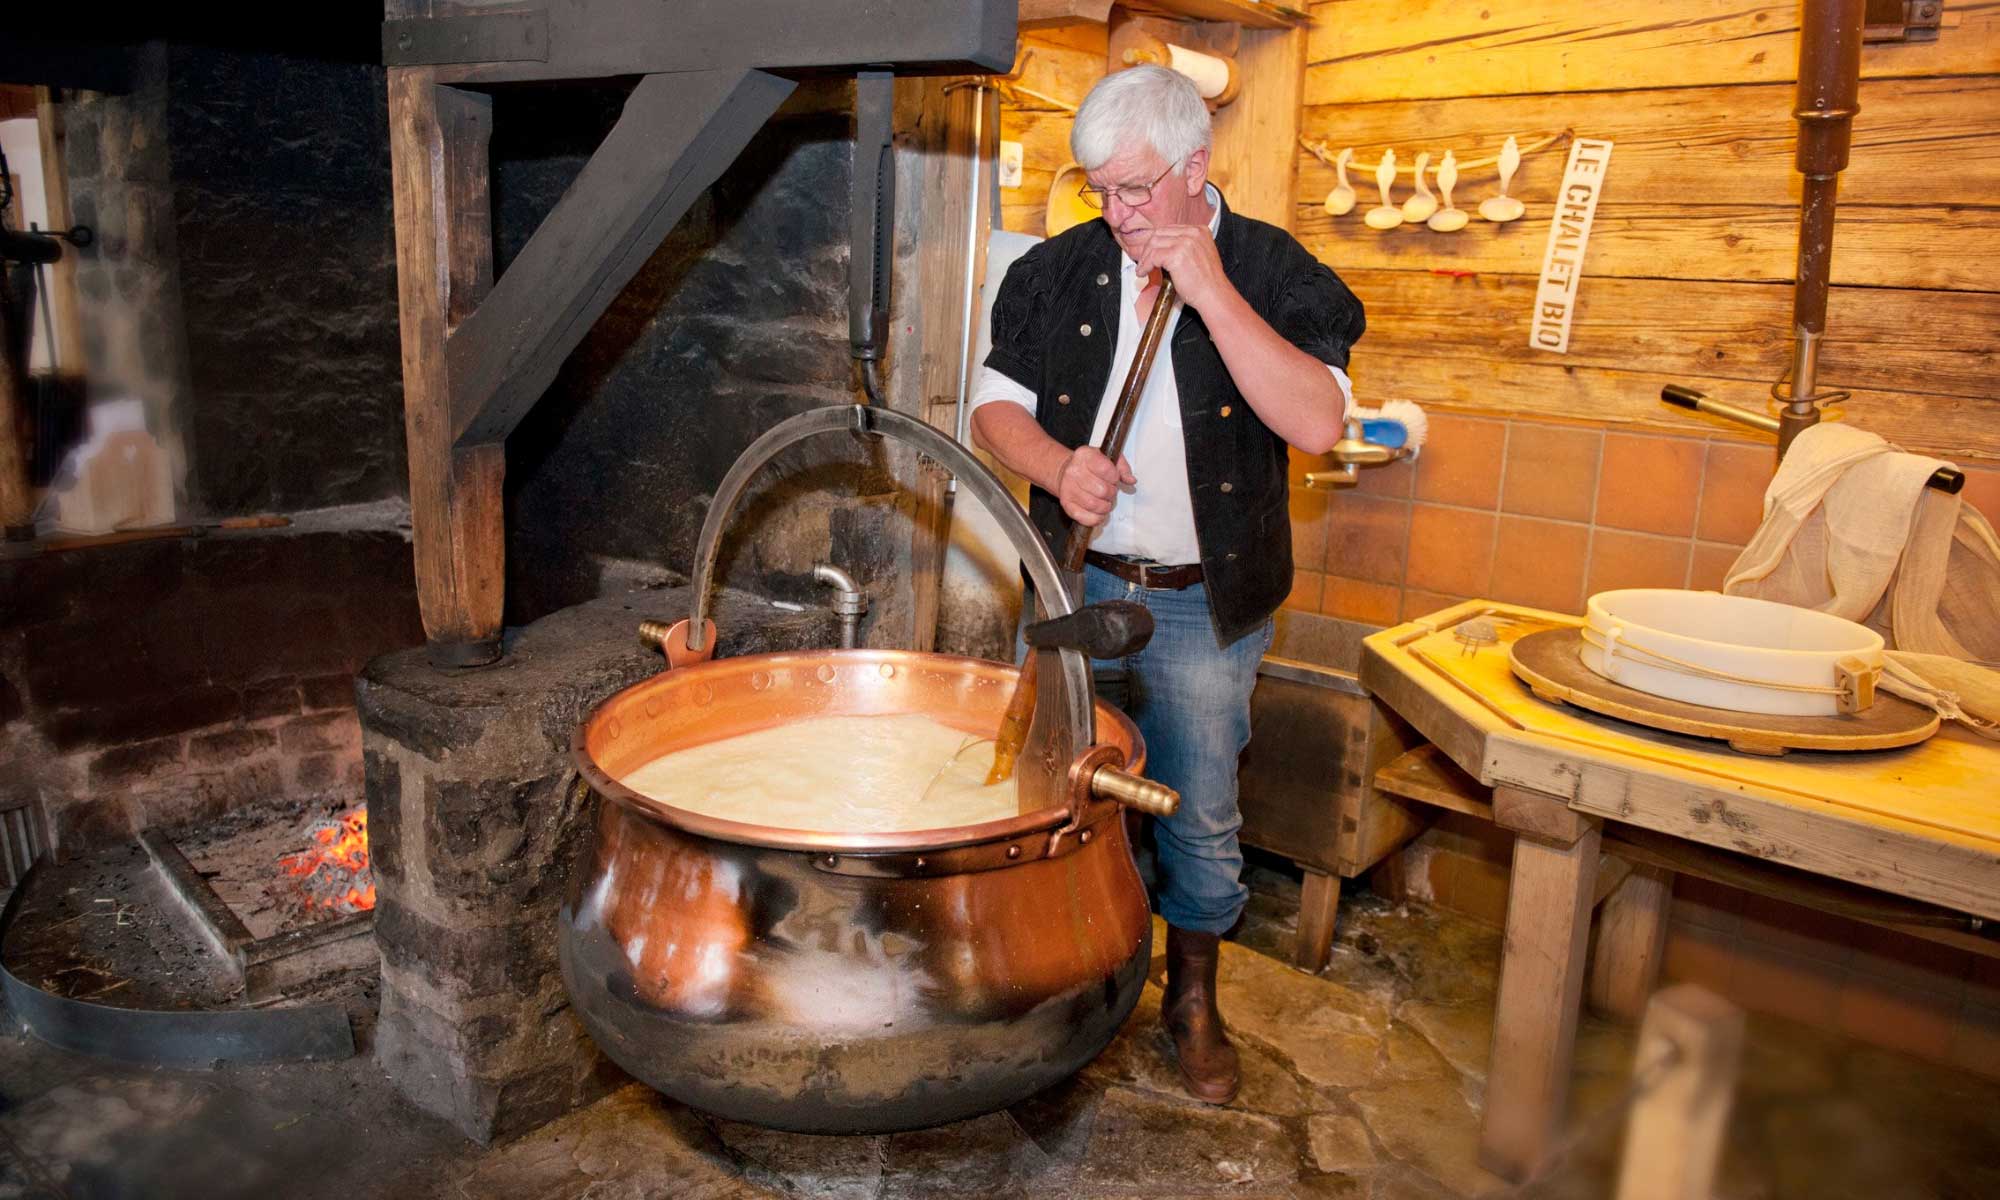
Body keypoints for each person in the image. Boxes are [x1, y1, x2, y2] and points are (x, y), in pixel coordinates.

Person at [970, 65, 1365, 1104]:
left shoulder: (1275, 270)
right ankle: (1059, 974)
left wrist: (1210, 289)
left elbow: (1316, 424)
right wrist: (1056, 466)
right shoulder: (1056, 270)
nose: (1118, 213)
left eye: (1136, 188)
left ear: (1197, 165)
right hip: (1073, 587)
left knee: (1197, 815)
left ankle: (1190, 998)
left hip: (1202, 601)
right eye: (1100, 190)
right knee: (1050, 786)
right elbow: (993, 408)